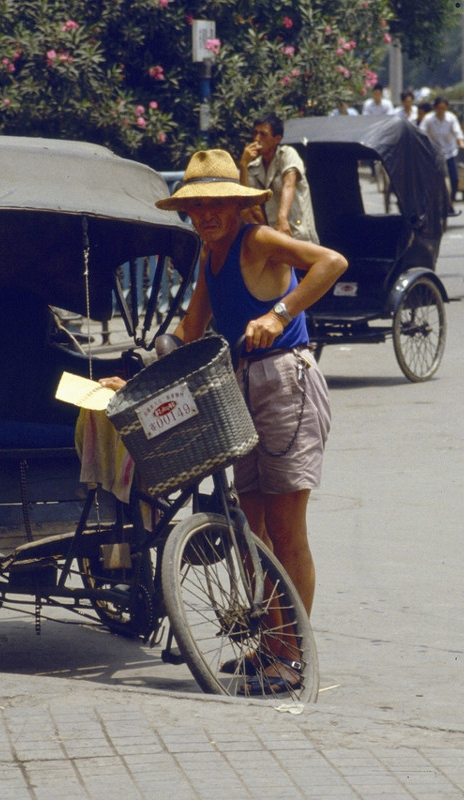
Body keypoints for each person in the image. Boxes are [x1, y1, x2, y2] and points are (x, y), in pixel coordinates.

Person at [158, 149, 347, 694]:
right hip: (239, 385)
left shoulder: (256, 240)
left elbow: (331, 262)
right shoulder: (208, 254)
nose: (208, 215)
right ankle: (270, 645)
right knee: (253, 531)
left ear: (237, 206)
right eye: (199, 207)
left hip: (286, 381)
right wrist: (143, 366)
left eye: (218, 203)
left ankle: (292, 656)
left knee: (287, 532)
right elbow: (190, 329)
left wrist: (279, 313)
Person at [238, 113, 319, 243]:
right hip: (274, 236)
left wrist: (282, 219)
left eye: (263, 134)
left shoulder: (287, 154)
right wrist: (243, 165)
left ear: (277, 139)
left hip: (297, 231)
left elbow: (289, 183)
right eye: (255, 133)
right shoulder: (254, 167)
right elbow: (248, 201)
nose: (257, 139)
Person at [420, 96, 464, 216]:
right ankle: (429, 203)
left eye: (443, 108)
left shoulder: (451, 118)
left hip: (449, 153)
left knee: (454, 178)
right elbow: (421, 133)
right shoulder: (428, 119)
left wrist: (462, 144)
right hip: (434, 154)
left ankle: (451, 202)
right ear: (435, 108)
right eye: (438, 108)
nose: (441, 111)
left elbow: (457, 133)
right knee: (429, 179)